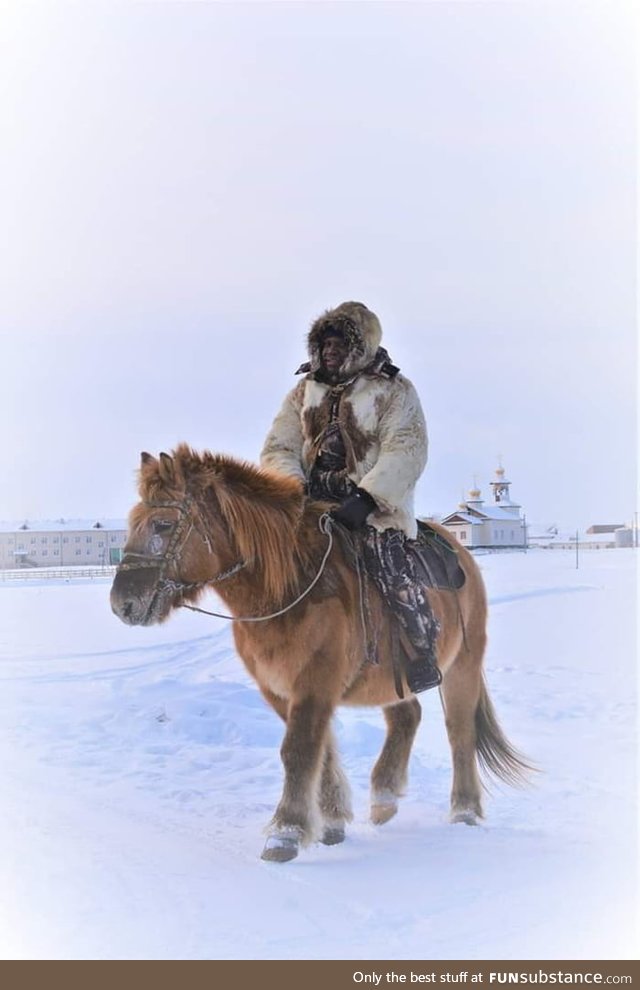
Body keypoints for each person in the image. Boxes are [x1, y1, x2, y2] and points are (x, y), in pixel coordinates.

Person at [260, 301, 441, 693]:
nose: (329, 350)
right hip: (311, 504)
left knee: (390, 567)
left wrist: (369, 498)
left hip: (371, 510)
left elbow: (406, 449)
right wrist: (292, 487)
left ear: (359, 348)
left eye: (339, 343)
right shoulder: (303, 392)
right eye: (324, 343)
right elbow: (279, 446)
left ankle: (423, 649)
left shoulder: (393, 390)